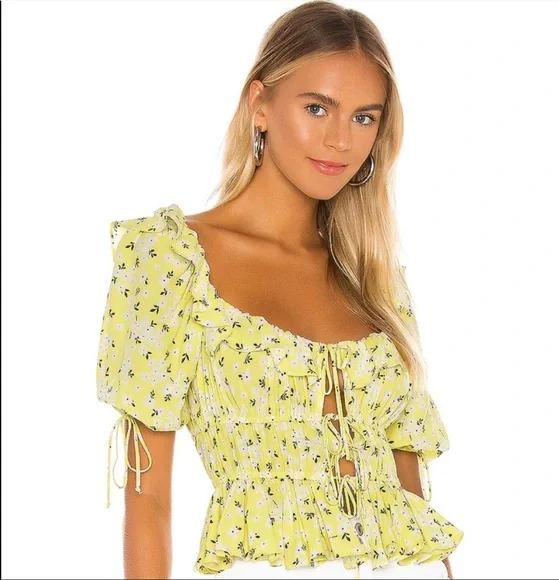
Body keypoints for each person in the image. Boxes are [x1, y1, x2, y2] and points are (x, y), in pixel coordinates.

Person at [96, 1, 464, 579]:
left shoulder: (373, 275)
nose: (339, 140)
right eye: (317, 108)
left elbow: (410, 496)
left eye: (364, 118)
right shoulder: (170, 259)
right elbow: (150, 501)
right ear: (260, 105)